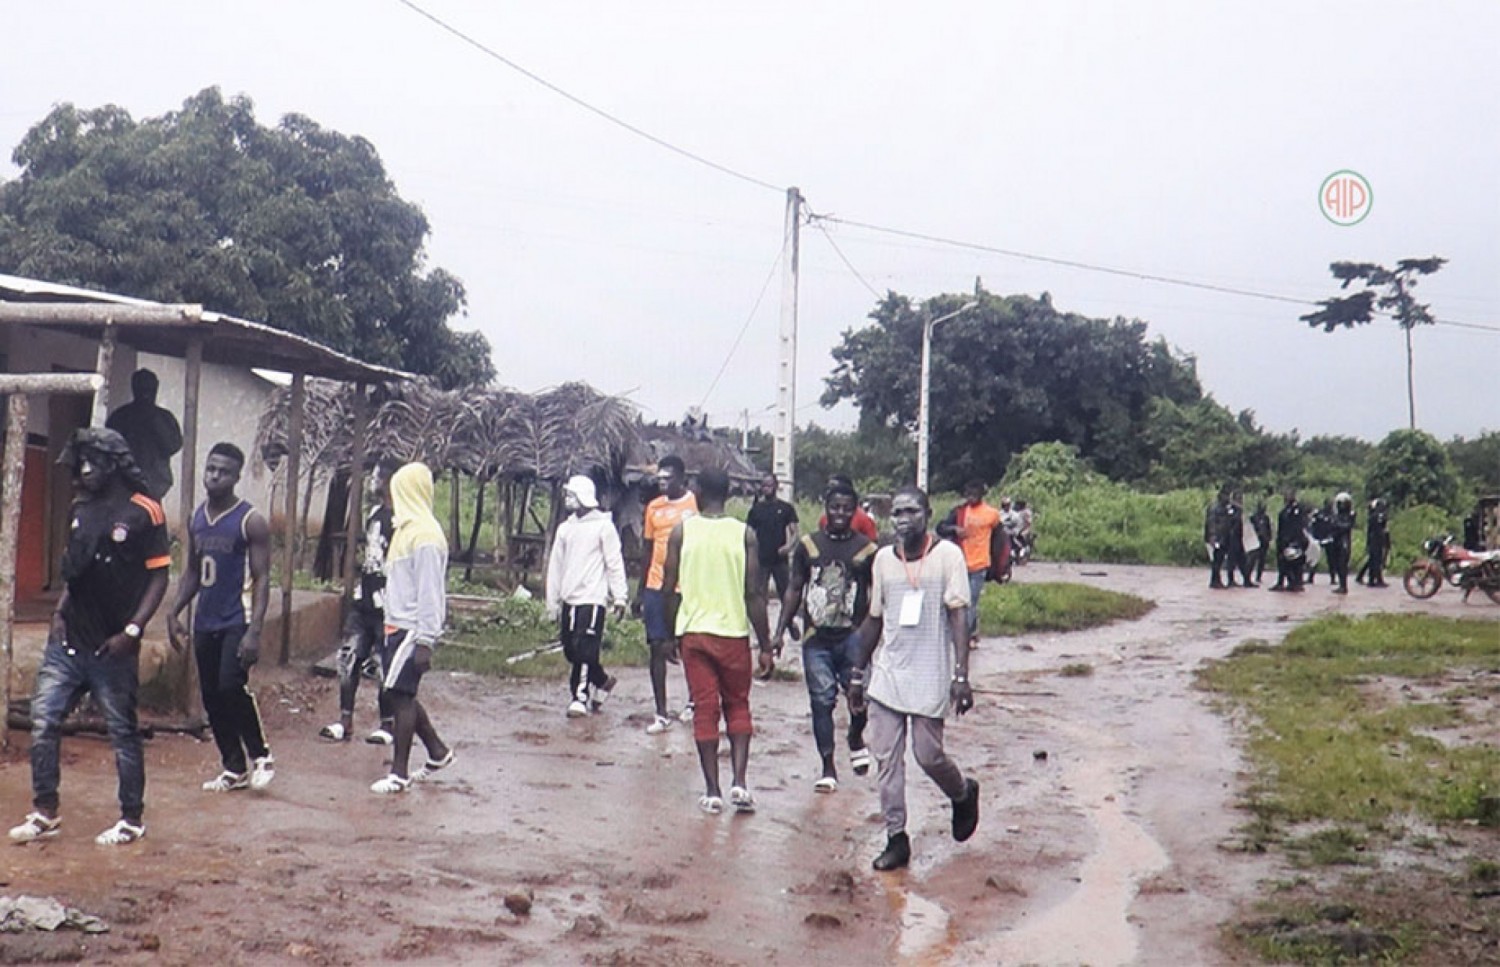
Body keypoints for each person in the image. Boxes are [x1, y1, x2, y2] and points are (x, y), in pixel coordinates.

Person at [9, 428, 170, 846]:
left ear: (114, 463)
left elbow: (159, 575)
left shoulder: (145, 511)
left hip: (113, 646)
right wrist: (59, 614)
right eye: (81, 461)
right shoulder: (80, 508)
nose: (84, 469)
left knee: (121, 731)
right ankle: (45, 811)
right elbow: (76, 572)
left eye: (93, 462)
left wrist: (133, 631)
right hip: (68, 642)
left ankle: (131, 819)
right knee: (45, 722)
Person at [848, 486, 980, 871]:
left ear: (927, 513)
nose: (902, 519)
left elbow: (959, 615)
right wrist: (857, 674)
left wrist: (961, 674)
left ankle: (962, 793)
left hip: (929, 672)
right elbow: (875, 618)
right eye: (897, 513)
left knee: (928, 755)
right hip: (889, 674)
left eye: (911, 512)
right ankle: (896, 837)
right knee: (887, 759)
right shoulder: (884, 560)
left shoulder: (947, 556)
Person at [660, 468, 774, 814]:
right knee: (738, 706)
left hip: (695, 634)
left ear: (696, 490)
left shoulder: (682, 531)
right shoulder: (744, 534)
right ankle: (739, 781)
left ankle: (712, 792)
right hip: (734, 635)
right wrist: (766, 643)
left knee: (705, 710)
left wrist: (667, 634)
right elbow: (755, 593)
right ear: (729, 494)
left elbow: (669, 587)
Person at [166, 443, 275, 793]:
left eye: (223, 471)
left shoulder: (250, 521)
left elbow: (261, 578)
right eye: (211, 469)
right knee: (211, 695)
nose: (214, 476)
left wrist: (254, 632)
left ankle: (261, 755)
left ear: (236, 476)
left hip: (236, 619)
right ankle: (233, 766)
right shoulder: (197, 518)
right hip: (206, 620)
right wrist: (174, 610)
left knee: (232, 686)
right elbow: (194, 573)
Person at [775, 478, 877, 792]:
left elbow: (878, 596)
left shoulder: (868, 549)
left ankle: (855, 736)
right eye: (835, 507)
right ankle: (828, 766)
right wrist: (780, 631)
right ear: (826, 508)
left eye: (847, 508)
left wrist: (874, 635)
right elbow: (794, 588)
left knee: (859, 700)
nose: (840, 513)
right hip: (816, 638)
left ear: (855, 511)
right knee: (821, 701)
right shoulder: (808, 545)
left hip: (854, 637)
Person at [369, 462, 455, 794]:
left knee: (400, 696)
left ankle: (399, 773)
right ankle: (437, 750)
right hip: (395, 625)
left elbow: (430, 592)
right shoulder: (405, 530)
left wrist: (426, 640)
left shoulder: (426, 537)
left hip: (411, 629)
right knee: (398, 692)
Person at [320, 457, 397, 744]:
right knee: (349, 657)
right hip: (363, 599)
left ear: (390, 481)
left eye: (377, 477)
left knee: (383, 663)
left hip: (388, 603)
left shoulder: (402, 518)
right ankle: (345, 720)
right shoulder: (375, 513)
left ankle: (387, 725)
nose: (372, 482)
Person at [546, 474, 628, 717]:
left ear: (583, 497)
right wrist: (552, 602)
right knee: (571, 649)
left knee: (585, 648)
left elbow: (614, 563)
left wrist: (620, 597)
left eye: (572, 495)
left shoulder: (604, 526)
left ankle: (579, 696)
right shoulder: (565, 529)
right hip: (569, 599)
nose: (568, 499)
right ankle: (602, 680)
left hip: (592, 599)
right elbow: (556, 566)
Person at [637, 455, 698, 734]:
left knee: (687, 647)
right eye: (659, 478)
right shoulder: (653, 508)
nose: (662, 482)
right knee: (657, 647)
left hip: (685, 587)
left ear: (681, 479)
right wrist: (640, 591)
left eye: (668, 478)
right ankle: (660, 712)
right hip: (656, 585)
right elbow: (647, 550)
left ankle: (693, 701)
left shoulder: (693, 505)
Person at [935, 480, 1004, 646]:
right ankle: (971, 633)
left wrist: (999, 564)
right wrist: (954, 530)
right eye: (968, 494)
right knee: (959, 600)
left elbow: (1000, 539)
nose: (971, 497)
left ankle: (963, 637)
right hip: (960, 564)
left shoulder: (992, 514)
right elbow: (940, 528)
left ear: (981, 495)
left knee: (971, 601)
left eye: (974, 494)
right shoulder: (959, 512)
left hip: (980, 564)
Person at [105, 368, 184, 501]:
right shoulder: (120, 417)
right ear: (134, 388)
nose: (145, 394)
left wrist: (155, 421)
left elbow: (173, 445)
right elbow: (108, 447)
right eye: (141, 388)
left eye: (149, 389)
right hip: (125, 486)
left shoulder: (164, 417)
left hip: (154, 485)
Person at [745, 472, 800, 636]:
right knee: (760, 596)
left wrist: (788, 547)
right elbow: (749, 533)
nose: (767, 488)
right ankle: (764, 631)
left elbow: (795, 532)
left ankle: (788, 623)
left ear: (776, 486)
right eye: (764, 485)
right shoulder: (756, 510)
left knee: (786, 594)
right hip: (761, 559)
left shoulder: (785, 508)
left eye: (770, 485)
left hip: (779, 559)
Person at [818, 474, 879, 542]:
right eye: (828, 488)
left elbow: (872, 544)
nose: (829, 491)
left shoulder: (864, 519)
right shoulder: (824, 519)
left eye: (833, 487)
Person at [1271, 489, 1308, 592]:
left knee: (1296, 562)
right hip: (1283, 540)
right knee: (1282, 562)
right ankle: (1281, 582)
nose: (1287, 497)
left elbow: (1299, 526)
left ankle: (1297, 583)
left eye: (1289, 495)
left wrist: (1295, 540)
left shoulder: (1298, 510)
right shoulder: (1284, 511)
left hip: (1295, 540)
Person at [1356, 498, 1390, 588]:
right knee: (1375, 560)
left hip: (1377, 540)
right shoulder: (1375, 517)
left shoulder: (1377, 516)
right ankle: (1373, 580)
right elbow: (1375, 530)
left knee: (1374, 560)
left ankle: (1373, 579)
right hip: (1375, 540)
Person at [1327, 492, 1356, 595]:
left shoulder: (1350, 515)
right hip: (1336, 542)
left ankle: (1343, 586)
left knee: (1342, 565)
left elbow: (1346, 526)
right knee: (1338, 565)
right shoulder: (1336, 516)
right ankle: (1341, 585)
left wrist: (1337, 527)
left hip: (1344, 543)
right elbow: (1332, 526)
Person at [1204, 489, 1233, 589]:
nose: (1228, 499)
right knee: (1216, 560)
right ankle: (1215, 581)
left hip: (1224, 537)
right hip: (1217, 538)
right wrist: (1213, 537)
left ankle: (1216, 579)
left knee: (1219, 560)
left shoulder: (1225, 508)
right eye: (1226, 496)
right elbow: (1212, 523)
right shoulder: (1214, 508)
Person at [1248, 500, 1273, 586]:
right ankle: (1248, 576)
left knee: (1262, 560)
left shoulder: (1266, 518)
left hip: (1264, 541)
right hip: (1255, 541)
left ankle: (1258, 576)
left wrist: (1269, 538)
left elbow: (1268, 529)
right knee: (1252, 559)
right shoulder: (1253, 517)